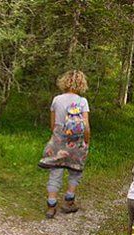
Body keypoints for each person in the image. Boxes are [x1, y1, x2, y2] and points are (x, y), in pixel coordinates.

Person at [38, 70, 90, 219]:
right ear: (81, 84)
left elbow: (53, 125)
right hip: (76, 144)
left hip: (58, 142)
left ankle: (51, 205)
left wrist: (58, 137)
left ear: (64, 82)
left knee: (55, 174)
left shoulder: (56, 100)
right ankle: (69, 201)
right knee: (75, 173)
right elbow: (86, 126)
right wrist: (86, 142)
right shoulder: (83, 102)